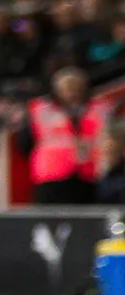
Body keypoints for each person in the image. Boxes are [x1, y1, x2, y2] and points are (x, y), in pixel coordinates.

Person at [14, 66, 112, 204]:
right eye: (67, 87)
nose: (71, 92)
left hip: (90, 173)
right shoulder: (40, 109)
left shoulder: (100, 108)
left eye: (75, 87)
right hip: (52, 174)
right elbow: (24, 142)